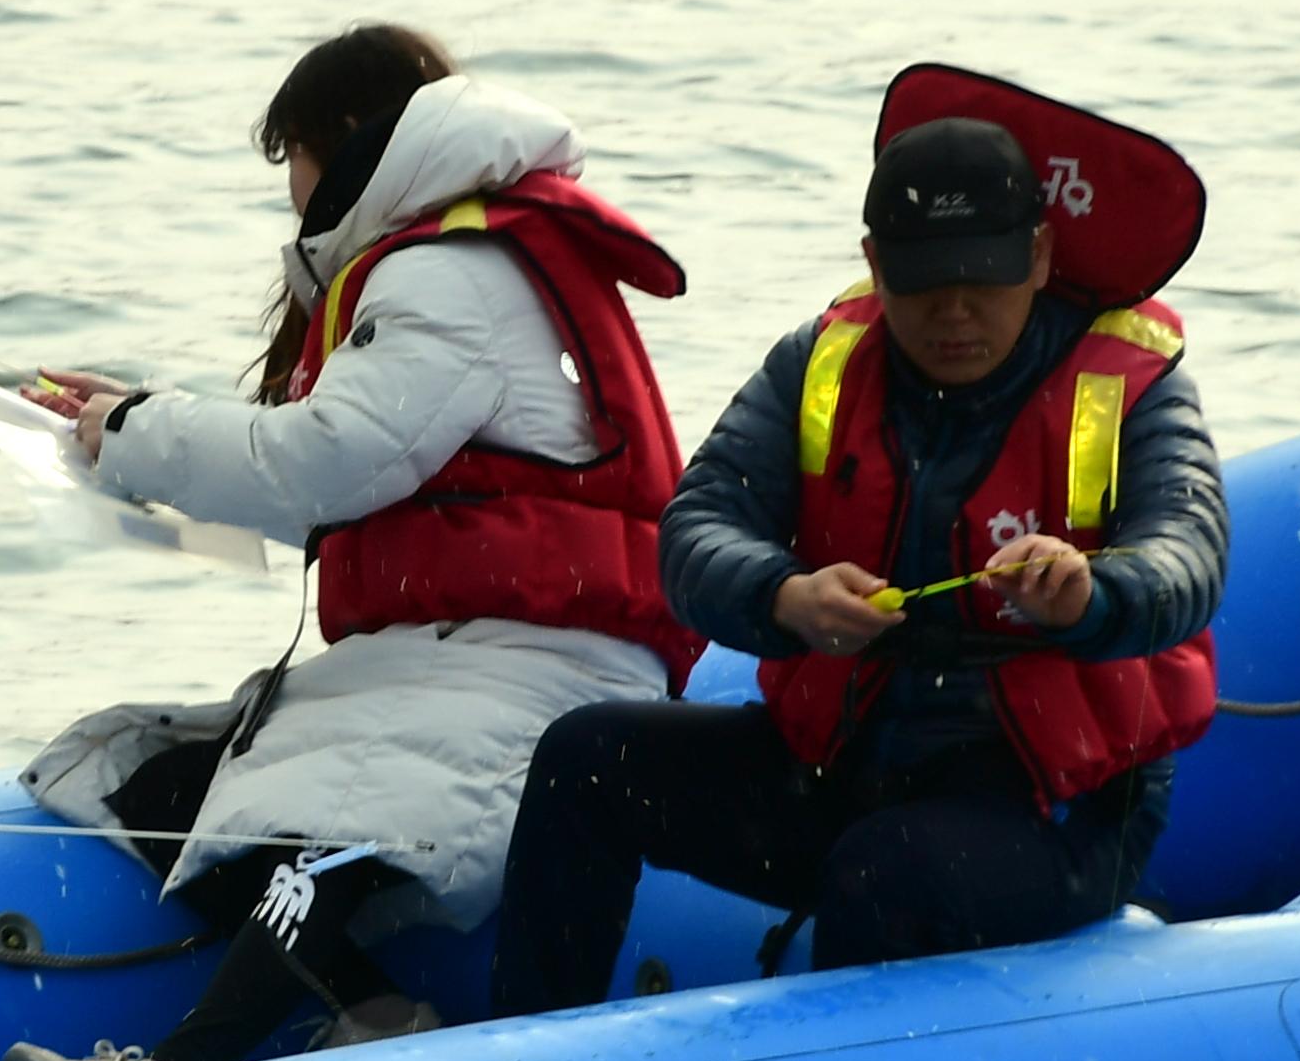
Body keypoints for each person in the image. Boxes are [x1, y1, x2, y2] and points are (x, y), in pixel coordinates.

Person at [0, 25, 704, 1061]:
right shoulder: (451, 260)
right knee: (149, 781)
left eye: (296, 162)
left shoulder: (449, 276)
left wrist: (136, 428)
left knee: (322, 837)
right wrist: (129, 433)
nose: (293, 198)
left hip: (534, 662)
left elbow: (322, 464)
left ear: (345, 144)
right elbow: (355, 465)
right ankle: (375, 1011)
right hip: (454, 652)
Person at [486, 69, 1229, 1010]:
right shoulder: (821, 362)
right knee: (588, 757)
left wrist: (1092, 593)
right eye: (924, 283)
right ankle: (527, 1060)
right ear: (877, 264)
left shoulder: (1129, 386)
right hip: (842, 770)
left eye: (983, 280)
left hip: (1054, 806)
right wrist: (784, 597)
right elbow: (696, 527)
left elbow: (1189, 551)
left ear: (1039, 257)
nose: (954, 312)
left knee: (885, 871)